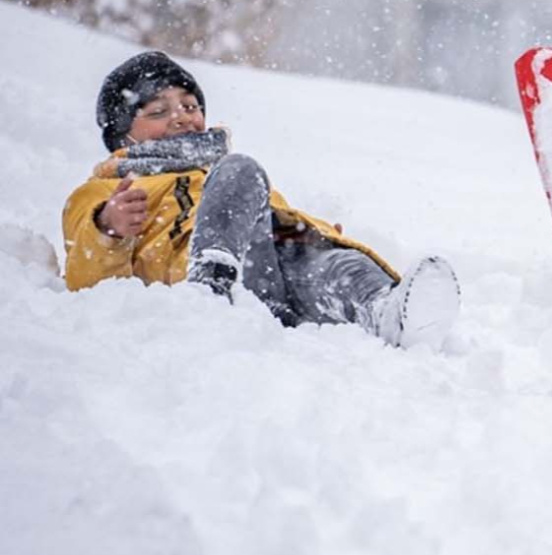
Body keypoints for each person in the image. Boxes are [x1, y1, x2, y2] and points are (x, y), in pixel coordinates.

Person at [62, 51, 460, 347]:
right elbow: (84, 279)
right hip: (203, 282)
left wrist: (313, 233)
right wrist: (108, 228)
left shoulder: (218, 173)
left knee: (337, 263)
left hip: (268, 277)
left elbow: (269, 215)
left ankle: (386, 312)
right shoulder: (104, 190)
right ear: (122, 134)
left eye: (190, 105)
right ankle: (211, 284)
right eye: (159, 110)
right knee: (241, 170)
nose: (182, 116)